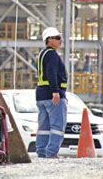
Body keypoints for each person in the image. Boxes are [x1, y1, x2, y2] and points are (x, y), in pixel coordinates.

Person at [35, 27, 68, 158]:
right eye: (58, 38)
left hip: (41, 95)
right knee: (57, 127)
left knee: (44, 127)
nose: (61, 41)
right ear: (49, 40)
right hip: (52, 95)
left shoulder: (42, 54)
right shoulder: (52, 55)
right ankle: (51, 153)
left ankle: (42, 151)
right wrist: (55, 91)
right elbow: (51, 73)